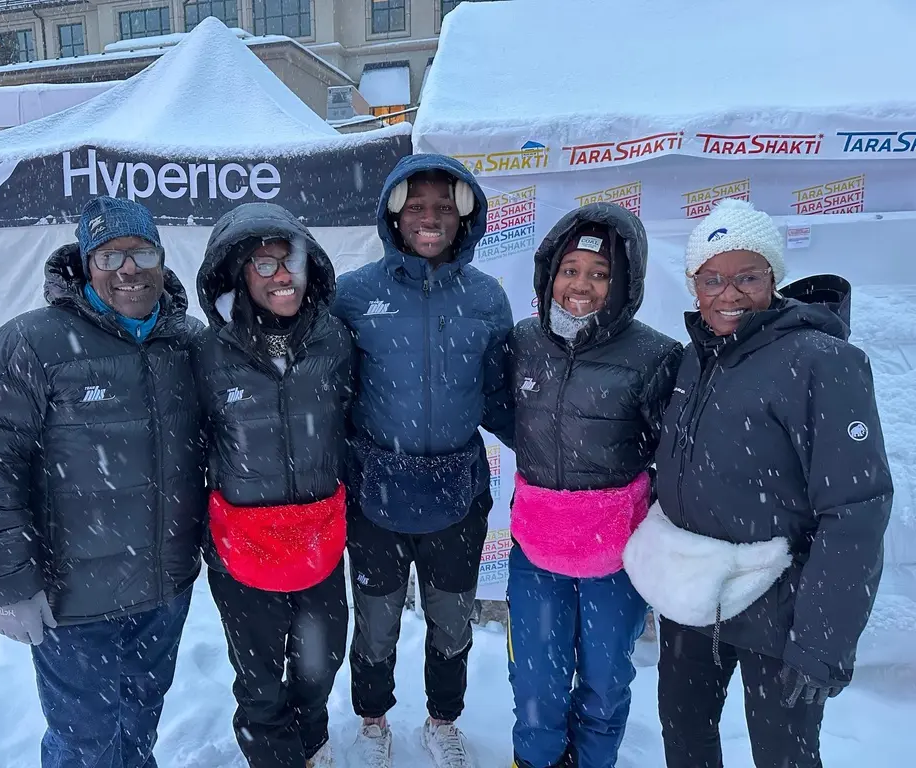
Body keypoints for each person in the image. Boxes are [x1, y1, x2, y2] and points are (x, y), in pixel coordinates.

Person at [623, 199, 893, 768]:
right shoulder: (694, 358)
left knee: (783, 757)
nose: (729, 294)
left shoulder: (823, 362)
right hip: (695, 597)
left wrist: (822, 639)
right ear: (694, 286)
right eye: (712, 279)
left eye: (747, 276)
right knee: (685, 739)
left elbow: (856, 507)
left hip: (782, 610)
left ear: (774, 277)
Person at [0, 195, 206, 768]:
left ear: (162, 258)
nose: (128, 269)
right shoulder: (30, 344)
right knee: (84, 741)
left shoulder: (188, 342)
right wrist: (9, 584)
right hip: (72, 598)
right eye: (109, 255)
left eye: (142, 252)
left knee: (140, 723)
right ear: (85, 264)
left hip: (164, 586)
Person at [332, 154, 514, 768]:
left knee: (452, 619)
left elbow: (501, 397)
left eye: (442, 207)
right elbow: (329, 391)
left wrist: (559, 453)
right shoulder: (354, 294)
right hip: (376, 490)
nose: (429, 218)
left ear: (464, 217)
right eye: (416, 207)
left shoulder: (486, 297)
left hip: (457, 492)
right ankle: (372, 722)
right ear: (394, 216)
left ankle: (443, 721)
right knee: (376, 620)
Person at [506, 203, 682, 768]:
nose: (581, 285)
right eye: (570, 270)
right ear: (549, 274)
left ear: (624, 282)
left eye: (600, 273)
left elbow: (669, 452)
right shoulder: (524, 340)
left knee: (605, 681)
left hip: (616, 551)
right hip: (537, 546)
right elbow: (506, 416)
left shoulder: (656, 355)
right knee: (536, 679)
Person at [192, 203, 353, 768]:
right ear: (238, 274)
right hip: (242, 544)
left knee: (322, 660)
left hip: (317, 537)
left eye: (292, 261)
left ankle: (311, 739)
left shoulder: (334, 340)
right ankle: (274, 755)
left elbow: (351, 422)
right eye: (264, 264)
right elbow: (190, 444)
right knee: (258, 677)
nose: (282, 275)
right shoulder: (205, 353)